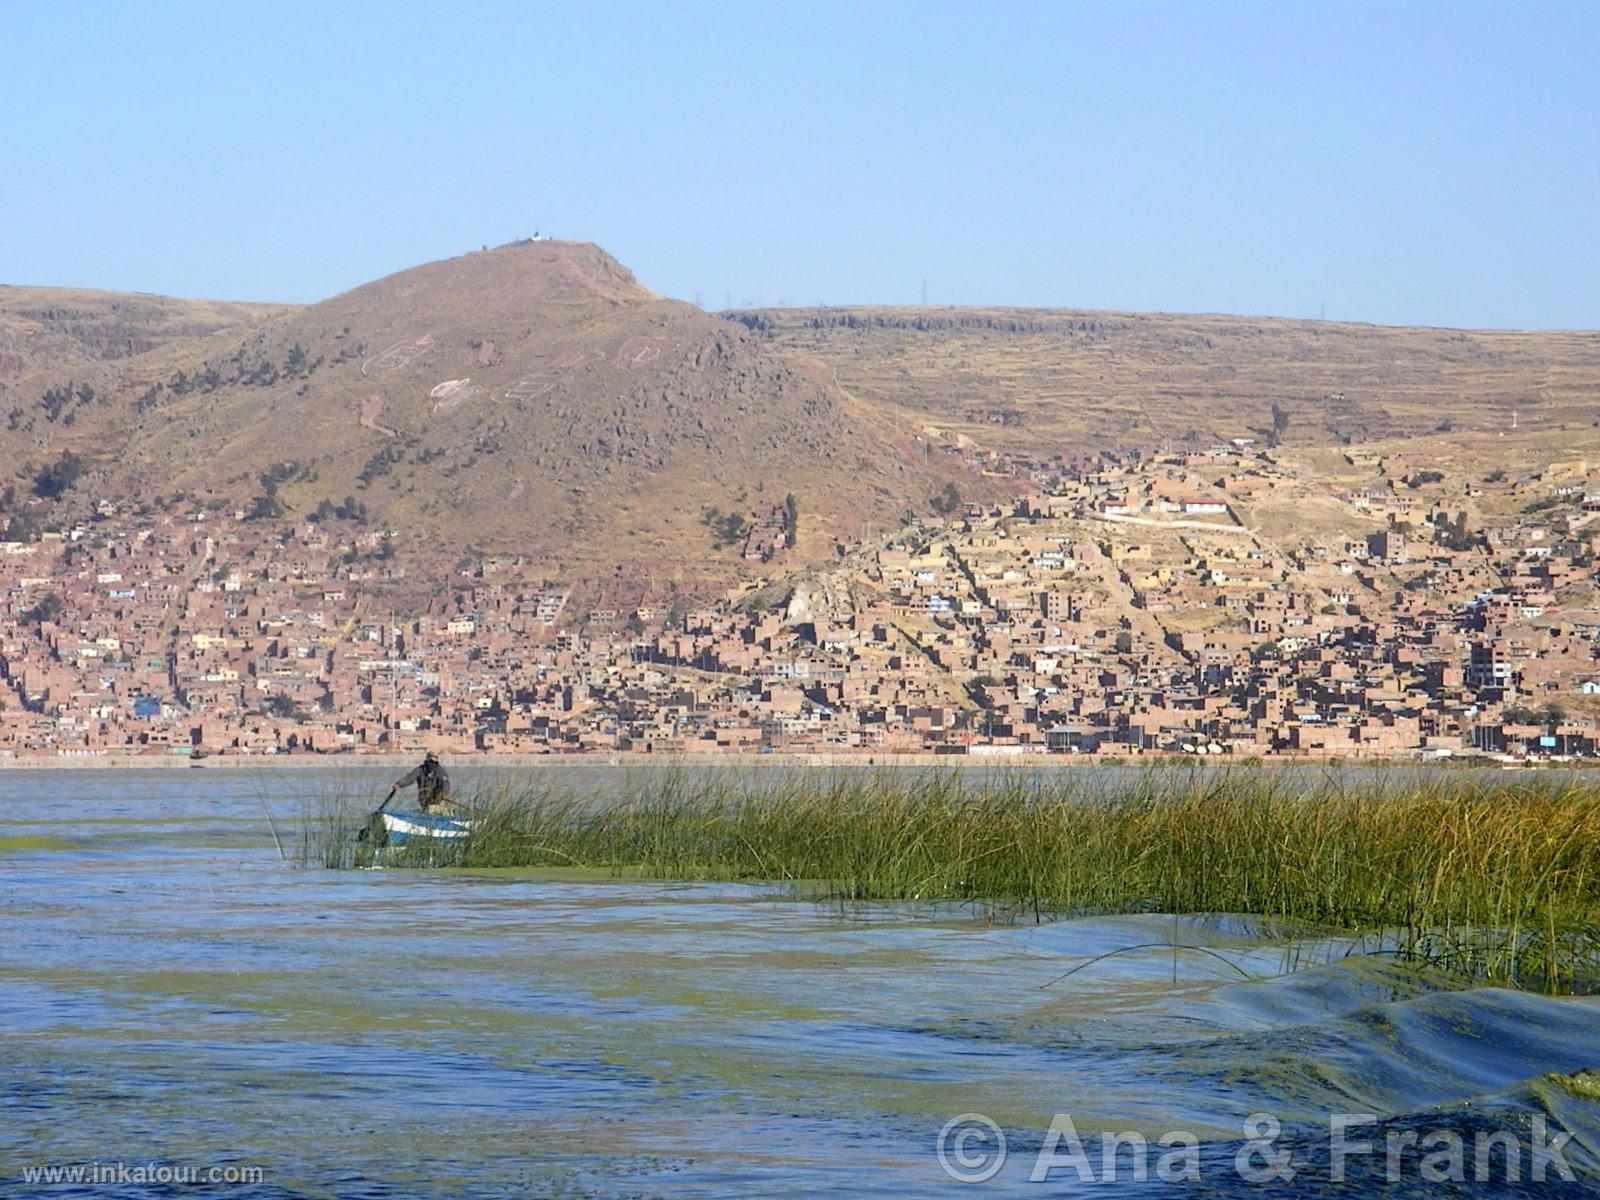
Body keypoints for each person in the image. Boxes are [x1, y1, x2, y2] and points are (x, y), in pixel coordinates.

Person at [386, 751, 452, 813]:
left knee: (438, 811)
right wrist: (398, 784)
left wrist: (444, 793)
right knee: (428, 810)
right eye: (431, 761)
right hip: (424, 800)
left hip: (438, 801)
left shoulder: (440, 771)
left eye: (434, 762)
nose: (432, 764)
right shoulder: (420, 770)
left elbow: (445, 784)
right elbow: (409, 778)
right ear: (427, 761)